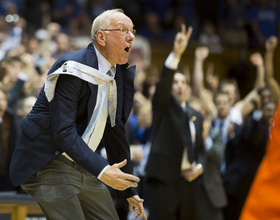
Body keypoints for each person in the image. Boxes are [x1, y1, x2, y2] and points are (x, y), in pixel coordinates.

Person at [9, 9, 146, 220]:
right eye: (122, 30)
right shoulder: (74, 68)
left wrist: (128, 189)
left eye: (132, 30)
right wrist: (103, 170)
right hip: (47, 161)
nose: (132, 36)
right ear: (101, 37)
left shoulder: (117, 74)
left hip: (82, 163)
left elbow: (115, 133)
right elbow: (63, 132)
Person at [145, 24, 205, 220]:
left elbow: (202, 149)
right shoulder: (163, 106)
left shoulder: (197, 115)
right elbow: (163, 84)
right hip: (164, 182)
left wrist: (199, 168)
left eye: (183, 82)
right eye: (175, 82)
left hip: (189, 182)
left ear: (187, 88)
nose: (179, 86)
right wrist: (176, 53)